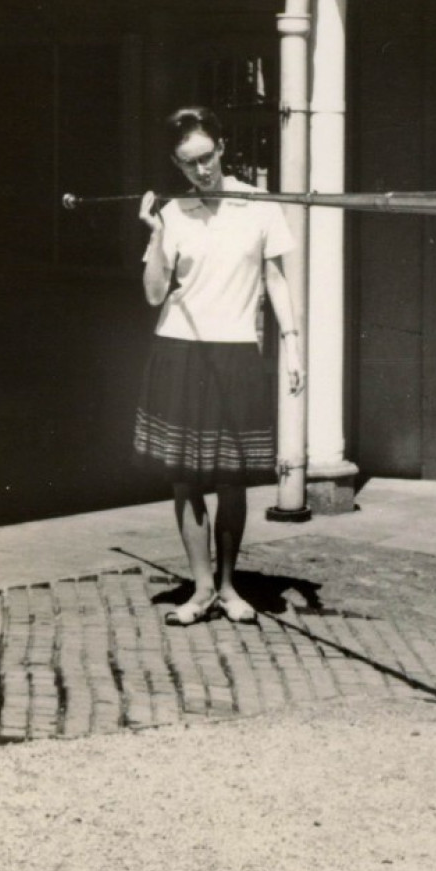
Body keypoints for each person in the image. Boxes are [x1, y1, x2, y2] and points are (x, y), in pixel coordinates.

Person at [133, 106, 305, 626]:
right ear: (176, 164)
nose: (201, 171)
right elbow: (154, 294)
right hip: (180, 350)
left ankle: (229, 588)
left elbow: (276, 280)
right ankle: (200, 589)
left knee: (232, 478)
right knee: (185, 479)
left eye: (207, 157)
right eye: (189, 164)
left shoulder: (258, 205)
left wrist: (293, 346)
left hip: (235, 352)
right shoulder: (171, 212)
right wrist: (155, 233)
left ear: (223, 148)